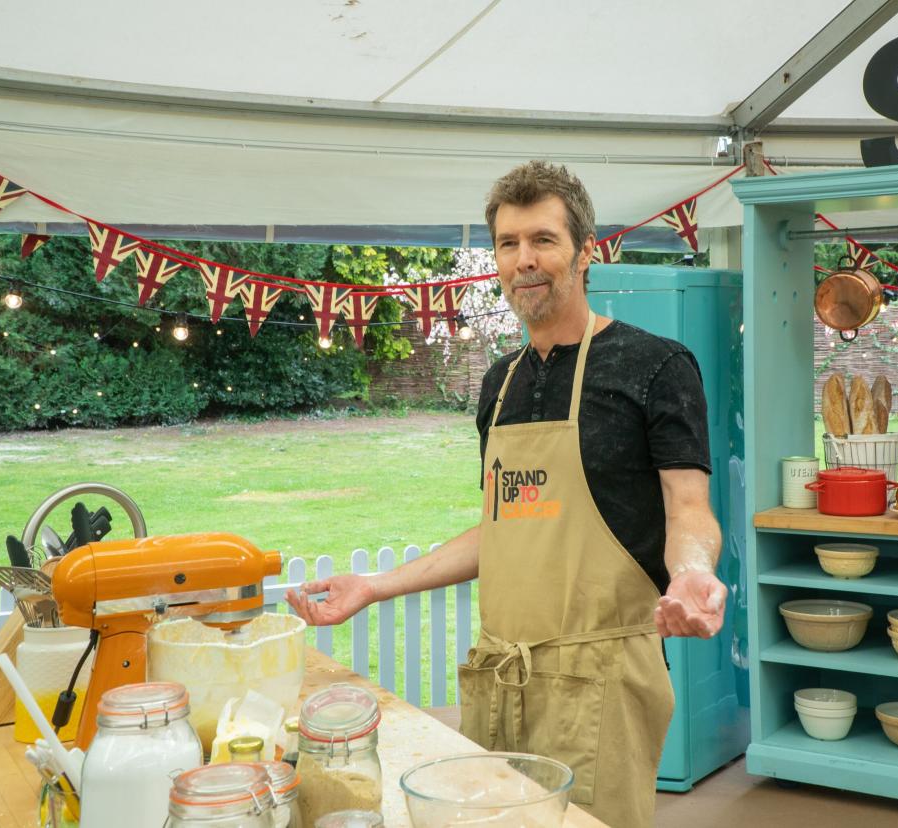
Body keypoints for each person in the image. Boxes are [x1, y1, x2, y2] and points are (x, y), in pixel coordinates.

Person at [288, 160, 727, 827]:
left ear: (585, 251)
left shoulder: (655, 366)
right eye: (508, 242)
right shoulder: (500, 384)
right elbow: (505, 529)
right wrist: (374, 586)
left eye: (543, 240)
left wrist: (693, 572)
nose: (525, 259)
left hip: (601, 679)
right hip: (502, 676)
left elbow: (688, 508)